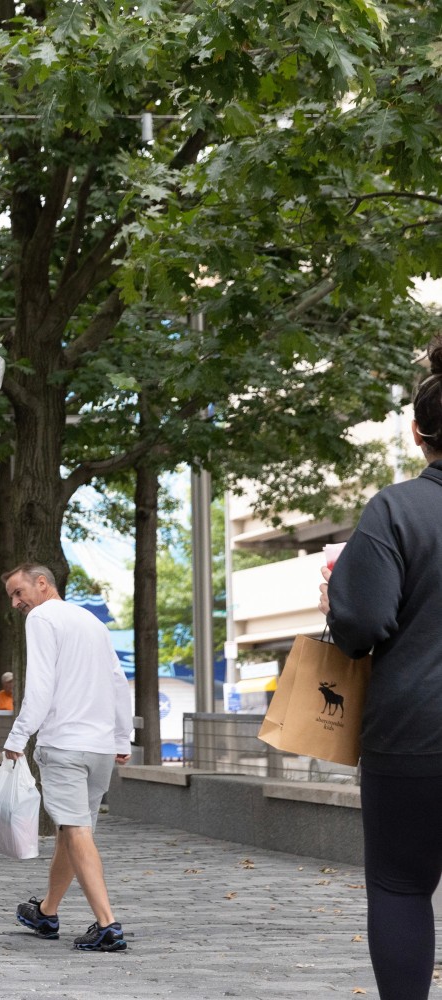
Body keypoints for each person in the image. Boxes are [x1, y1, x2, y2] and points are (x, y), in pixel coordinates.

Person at [320, 338, 442, 1000]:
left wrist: (336, 598)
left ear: (417, 430)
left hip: (413, 737)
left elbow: (361, 625)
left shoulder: (394, 512)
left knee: (400, 886)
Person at [1, 562, 133, 953]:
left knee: (75, 831)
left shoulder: (42, 618)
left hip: (65, 745)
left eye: (19, 592)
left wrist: (18, 735)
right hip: (100, 747)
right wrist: (123, 736)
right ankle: (46, 911)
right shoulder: (92, 622)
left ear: (42, 584)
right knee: (71, 832)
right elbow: (118, 680)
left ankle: (108, 926)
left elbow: (41, 685)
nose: (16, 602)